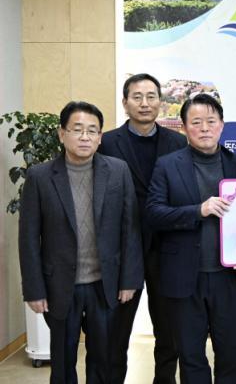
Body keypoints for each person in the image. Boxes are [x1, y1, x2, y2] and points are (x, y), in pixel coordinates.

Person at [19, 101, 143, 384]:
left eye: (92, 130)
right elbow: (28, 238)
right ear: (62, 134)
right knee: (62, 362)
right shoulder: (39, 176)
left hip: (105, 285)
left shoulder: (118, 171)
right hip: (60, 286)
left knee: (103, 359)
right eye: (77, 129)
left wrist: (129, 280)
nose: (85, 137)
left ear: (100, 137)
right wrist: (34, 290)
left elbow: (130, 229)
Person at [146, 93, 236, 383]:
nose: (204, 128)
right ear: (184, 127)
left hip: (228, 277)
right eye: (196, 122)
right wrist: (198, 210)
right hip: (184, 277)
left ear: (222, 125)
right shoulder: (167, 165)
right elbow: (153, 214)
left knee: (229, 354)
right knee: (191, 356)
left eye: (211, 121)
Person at [99, 73, 186, 384]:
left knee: (169, 333)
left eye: (151, 97)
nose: (145, 103)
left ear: (160, 102)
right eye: (137, 97)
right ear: (125, 103)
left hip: (167, 249)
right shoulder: (107, 142)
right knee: (116, 332)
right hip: (122, 251)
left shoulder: (178, 142)